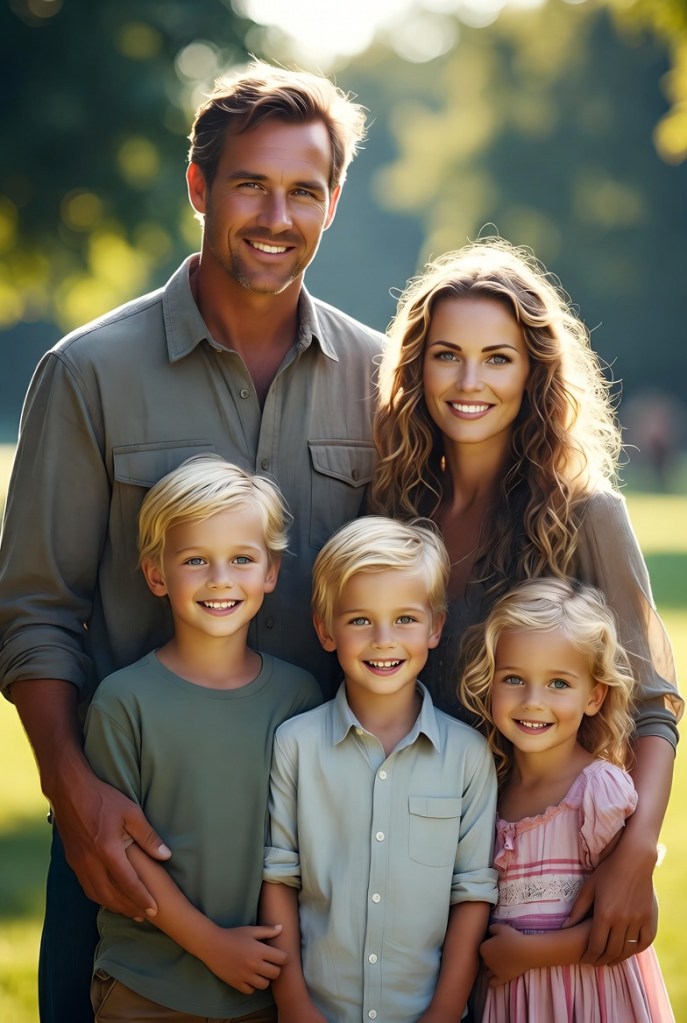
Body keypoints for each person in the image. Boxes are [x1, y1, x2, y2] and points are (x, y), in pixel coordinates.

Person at [0, 60, 382, 1022]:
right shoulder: (87, 372)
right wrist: (74, 792)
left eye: (304, 190)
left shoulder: (383, 379)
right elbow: (34, 608)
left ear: (332, 203)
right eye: (250, 183)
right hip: (130, 838)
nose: (275, 214)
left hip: (326, 849)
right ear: (199, 187)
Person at [370, 237, 682, 966]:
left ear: (533, 372)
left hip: (547, 879)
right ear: (416, 367)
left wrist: (635, 852)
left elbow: (653, 702)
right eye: (446, 354)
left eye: (498, 357)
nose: (468, 379)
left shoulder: (586, 514)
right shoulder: (389, 511)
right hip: (414, 861)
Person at [84, 454, 321, 1021]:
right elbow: (119, 850)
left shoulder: (299, 699)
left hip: (266, 986)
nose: (221, 579)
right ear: (157, 574)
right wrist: (211, 944)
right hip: (147, 986)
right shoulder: (123, 702)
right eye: (196, 560)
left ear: (271, 571)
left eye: (242, 558)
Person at [260, 516, 499, 1023]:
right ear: (326, 629)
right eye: (360, 620)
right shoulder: (295, 745)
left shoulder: (468, 756)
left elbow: (472, 894)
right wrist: (296, 1007)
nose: (383, 639)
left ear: (436, 627)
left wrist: (444, 1012)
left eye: (405, 619)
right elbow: (279, 879)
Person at [459, 576, 675, 1022]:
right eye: (514, 678)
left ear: (594, 696)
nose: (533, 701)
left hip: (590, 1001)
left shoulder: (598, 792)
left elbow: (642, 923)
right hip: (513, 1005)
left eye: (558, 684)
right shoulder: (487, 790)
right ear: (490, 683)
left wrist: (530, 954)